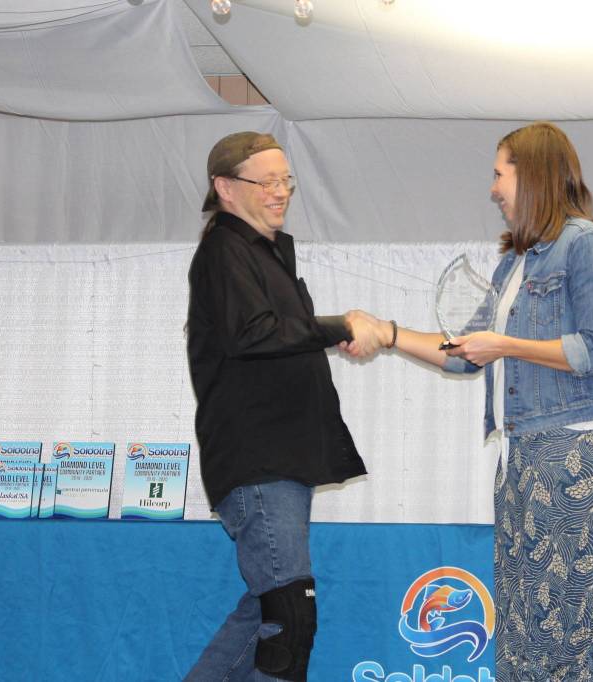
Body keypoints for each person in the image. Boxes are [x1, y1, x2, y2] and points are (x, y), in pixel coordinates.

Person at [348, 122, 593, 680]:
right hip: (520, 454)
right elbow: (464, 354)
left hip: (571, 449)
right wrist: (387, 332)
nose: (492, 189)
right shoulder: (515, 263)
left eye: (498, 173)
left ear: (530, 175)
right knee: (522, 605)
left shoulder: (586, 247)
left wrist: (505, 344)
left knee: (579, 607)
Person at [185, 131, 384, 681]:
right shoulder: (226, 250)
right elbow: (254, 334)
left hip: (278, 465)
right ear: (225, 188)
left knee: (266, 611)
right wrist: (339, 325)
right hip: (260, 464)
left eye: (286, 180)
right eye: (266, 181)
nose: (280, 192)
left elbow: (275, 337)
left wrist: (329, 332)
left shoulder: (262, 255)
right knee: (288, 616)